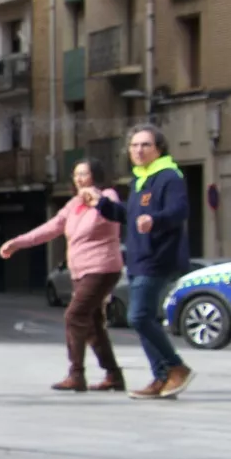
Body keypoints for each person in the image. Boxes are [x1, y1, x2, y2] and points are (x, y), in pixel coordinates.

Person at [0, 159, 125, 392]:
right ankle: (114, 375)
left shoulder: (108, 196)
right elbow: (50, 229)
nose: (79, 179)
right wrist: (17, 243)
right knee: (93, 325)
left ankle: (76, 375)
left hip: (102, 268)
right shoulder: (73, 205)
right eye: (76, 174)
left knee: (74, 315)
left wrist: (96, 199)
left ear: (95, 176)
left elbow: (110, 216)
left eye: (84, 174)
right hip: (80, 271)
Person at [92, 125, 195, 399]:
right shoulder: (140, 179)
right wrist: (101, 204)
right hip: (139, 258)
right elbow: (129, 215)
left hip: (158, 258)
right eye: (134, 146)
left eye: (145, 145)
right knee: (141, 318)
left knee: (137, 316)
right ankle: (162, 376)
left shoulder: (168, 177)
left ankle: (174, 367)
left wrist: (155, 220)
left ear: (158, 148)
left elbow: (179, 210)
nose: (138, 150)